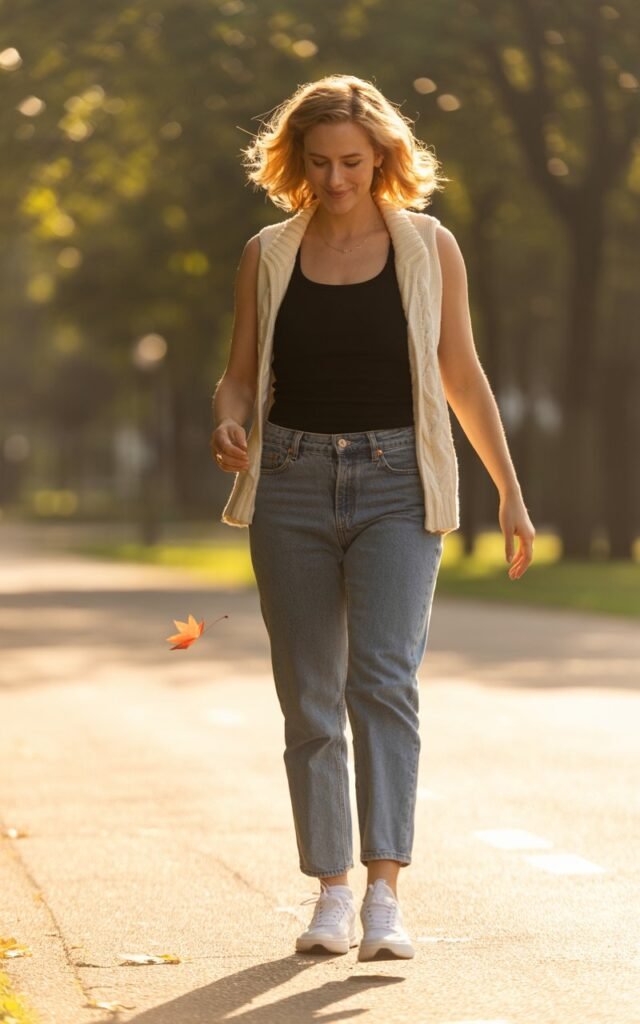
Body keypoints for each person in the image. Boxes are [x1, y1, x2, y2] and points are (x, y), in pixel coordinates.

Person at [210, 74, 535, 962]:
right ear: (296, 161)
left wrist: (508, 489)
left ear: (383, 156)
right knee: (310, 696)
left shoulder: (429, 245)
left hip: (399, 483)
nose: (336, 179)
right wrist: (229, 421)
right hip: (291, 482)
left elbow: (461, 374)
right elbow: (240, 374)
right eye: (319, 162)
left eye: (352, 161)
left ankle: (385, 896)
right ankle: (330, 892)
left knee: (383, 682)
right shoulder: (267, 253)